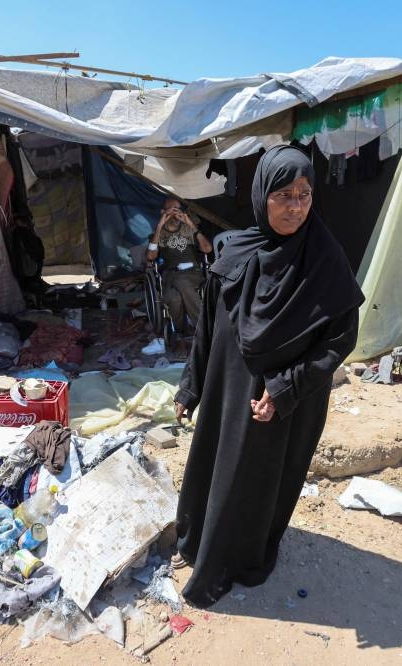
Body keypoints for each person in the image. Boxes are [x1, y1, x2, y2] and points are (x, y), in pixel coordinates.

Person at [172, 145, 365, 608]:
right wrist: (190, 386)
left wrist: (285, 388)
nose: (296, 206)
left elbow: (340, 341)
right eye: (284, 195)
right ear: (262, 197)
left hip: (283, 404)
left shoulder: (323, 260)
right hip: (227, 390)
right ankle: (198, 546)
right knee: (215, 471)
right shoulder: (235, 250)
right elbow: (209, 329)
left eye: (304, 194)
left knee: (258, 486)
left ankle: (237, 563)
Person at [146, 199, 213, 336]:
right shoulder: (158, 234)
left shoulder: (188, 229)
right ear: (163, 213)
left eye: (178, 209)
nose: (176, 213)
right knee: (172, 297)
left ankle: (205, 328)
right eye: (172, 210)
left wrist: (191, 224)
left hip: (193, 273)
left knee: (181, 281)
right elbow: (151, 257)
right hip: (171, 275)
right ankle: (184, 331)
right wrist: (159, 226)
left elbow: (207, 249)